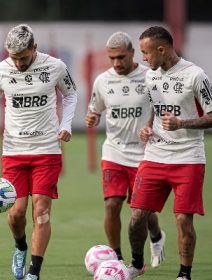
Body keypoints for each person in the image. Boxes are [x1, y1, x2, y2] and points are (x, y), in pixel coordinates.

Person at [0, 24, 78, 280]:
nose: (19, 63)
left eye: (23, 57)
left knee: (41, 211)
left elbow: (70, 94)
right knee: (16, 213)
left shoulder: (55, 66)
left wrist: (66, 124)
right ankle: (20, 246)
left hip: (47, 150)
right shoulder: (0, 70)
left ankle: (34, 272)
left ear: (35, 48)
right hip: (14, 151)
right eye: (15, 58)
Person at [128, 26, 212, 280]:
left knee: (183, 221)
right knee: (136, 217)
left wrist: (182, 124)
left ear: (161, 49)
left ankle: (184, 275)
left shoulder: (195, 75)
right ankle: (137, 264)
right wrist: (146, 126)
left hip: (188, 158)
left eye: (145, 53)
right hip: (154, 156)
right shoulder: (151, 76)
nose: (143, 59)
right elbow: (156, 107)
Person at [86, 32, 165, 266]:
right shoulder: (102, 81)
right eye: (112, 58)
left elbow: (164, 109)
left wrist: (153, 128)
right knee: (112, 204)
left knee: (143, 212)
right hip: (114, 152)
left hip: (145, 154)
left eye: (121, 57)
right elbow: (95, 109)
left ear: (132, 53)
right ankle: (116, 258)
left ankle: (157, 235)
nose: (116, 63)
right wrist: (92, 117)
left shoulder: (151, 77)